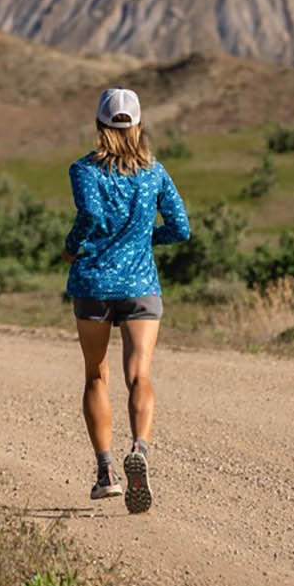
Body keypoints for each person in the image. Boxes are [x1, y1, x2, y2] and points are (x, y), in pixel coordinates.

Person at [62, 87, 189, 514]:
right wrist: (141, 239)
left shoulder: (83, 169)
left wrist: (71, 245)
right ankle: (140, 448)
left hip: (94, 284)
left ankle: (107, 473)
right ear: (138, 125)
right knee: (140, 375)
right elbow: (180, 227)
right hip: (141, 286)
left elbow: (92, 215)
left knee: (96, 376)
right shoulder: (154, 171)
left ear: (99, 125)